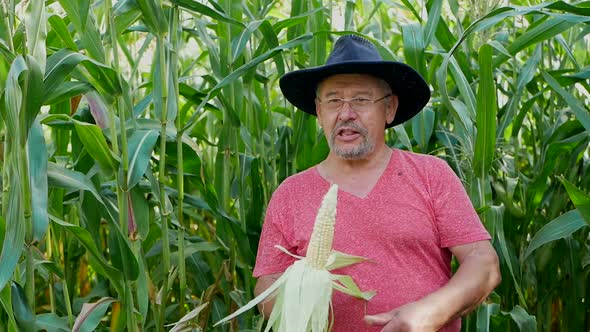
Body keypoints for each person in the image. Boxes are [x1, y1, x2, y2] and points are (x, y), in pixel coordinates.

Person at [252, 34, 501, 331]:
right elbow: (265, 287)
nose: (346, 114)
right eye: (333, 101)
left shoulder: (432, 174)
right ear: (319, 112)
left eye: (361, 99)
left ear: (390, 109)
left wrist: (430, 312)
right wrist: (302, 290)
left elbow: (483, 263)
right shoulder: (291, 193)